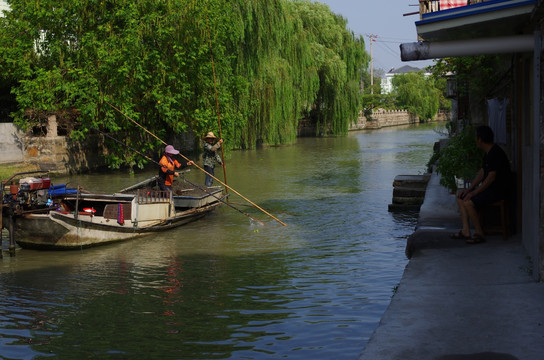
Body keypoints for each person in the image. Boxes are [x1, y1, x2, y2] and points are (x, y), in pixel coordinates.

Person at [451, 125, 511, 244]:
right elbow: (482, 173)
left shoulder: (495, 153)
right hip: (490, 189)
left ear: (480, 139)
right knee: (461, 197)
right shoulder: (488, 153)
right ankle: (466, 231)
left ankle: (479, 233)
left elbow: (490, 178)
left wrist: (474, 193)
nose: (475, 140)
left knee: (468, 203)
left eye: (476, 137)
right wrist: (469, 190)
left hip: (498, 191)